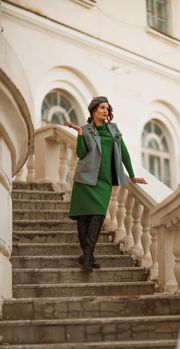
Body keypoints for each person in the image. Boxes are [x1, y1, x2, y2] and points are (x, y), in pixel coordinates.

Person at [64, 96, 147, 272]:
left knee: (98, 216)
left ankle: (86, 256)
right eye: (102, 107)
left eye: (107, 108)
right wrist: (79, 134)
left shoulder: (113, 129)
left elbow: (123, 153)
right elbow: (81, 153)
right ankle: (88, 257)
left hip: (104, 181)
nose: (105, 111)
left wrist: (132, 176)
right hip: (85, 180)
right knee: (83, 218)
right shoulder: (86, 130)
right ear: (94, 111)